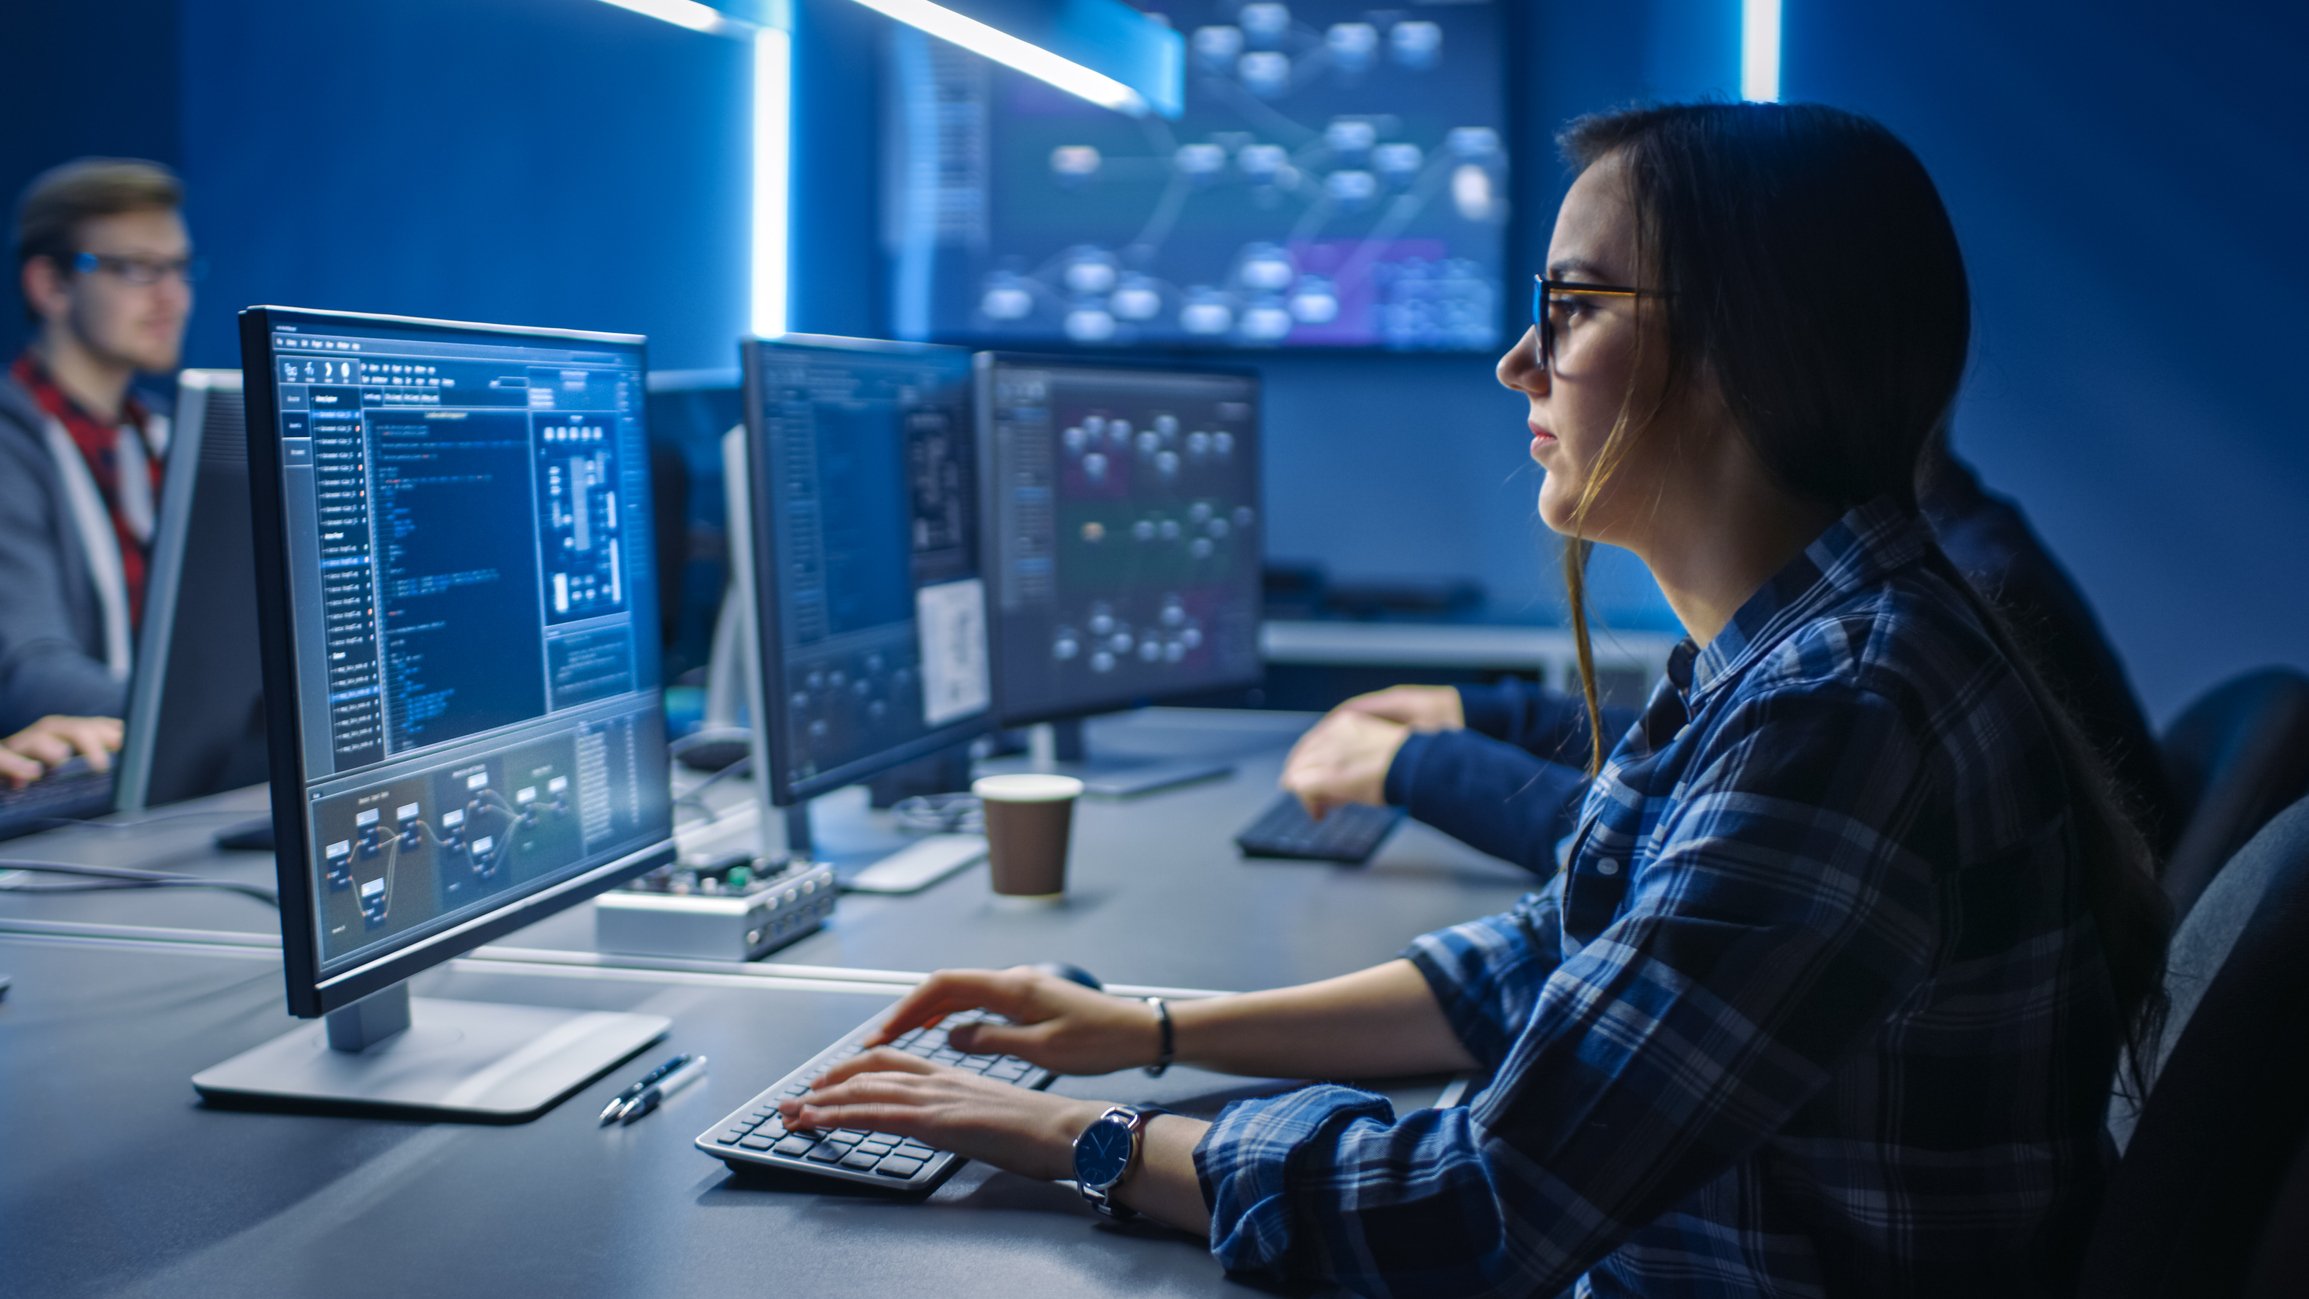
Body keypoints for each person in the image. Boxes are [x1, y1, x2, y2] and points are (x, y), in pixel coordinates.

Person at [774, 101, 2172, 1295]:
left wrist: (1075, 1138)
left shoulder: (1848, 709)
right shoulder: (1797, 653)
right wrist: (1150, 1031)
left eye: (1568, 311)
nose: (1516, 362)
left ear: (1748, 347)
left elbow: (1476, 1202)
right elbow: (1541, 967)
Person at [1278, 438, 2179, 877]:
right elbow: (1702, 764)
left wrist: (1418, 768)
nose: (1524, 365)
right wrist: (1486, 717)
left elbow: (1687, 839)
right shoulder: (1925, 556)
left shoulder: (1883, 658)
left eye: (1579, 307)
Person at [0, 158, 196, 742]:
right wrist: (210, 723)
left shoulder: (171, 434)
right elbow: (28, 676)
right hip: (85, 791)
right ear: (51, 285)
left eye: (180, 269)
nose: (172, 298)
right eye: (137, 269)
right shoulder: (13, 443)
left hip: (172, 775)